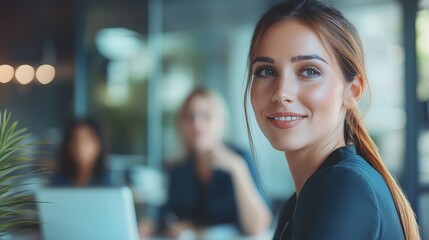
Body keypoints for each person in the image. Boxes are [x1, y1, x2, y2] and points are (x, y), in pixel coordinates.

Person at [244, 0, 420, 239]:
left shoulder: (345, 186)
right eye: (266, 71)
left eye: (309, 71)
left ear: (353, 91)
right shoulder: (299, 201)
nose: (281, 93)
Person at [161, 87, 272, 237]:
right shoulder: (179, 170)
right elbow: (167, 219)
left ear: (220, 122)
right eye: (190, 117)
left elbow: (257, 227)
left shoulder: (240, 158)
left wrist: (238, 170)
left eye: (206, 116)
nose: (197, 124)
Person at [51, 118, 111, 187]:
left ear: (98, 144)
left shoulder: (108, 183)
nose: (79, 146)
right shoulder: (58, 179)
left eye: (85, 141)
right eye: (74, 141)